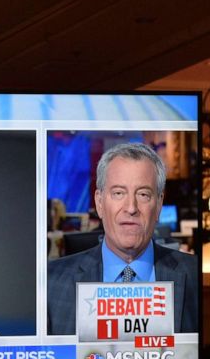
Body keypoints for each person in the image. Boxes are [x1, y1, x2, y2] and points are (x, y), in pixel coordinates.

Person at [47, 142, 198, 335]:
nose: (131, 208)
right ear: (100, 203)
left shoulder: (195, 275)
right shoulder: (51, 282)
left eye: (143, 194)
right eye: (118, 193)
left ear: (159, 204)